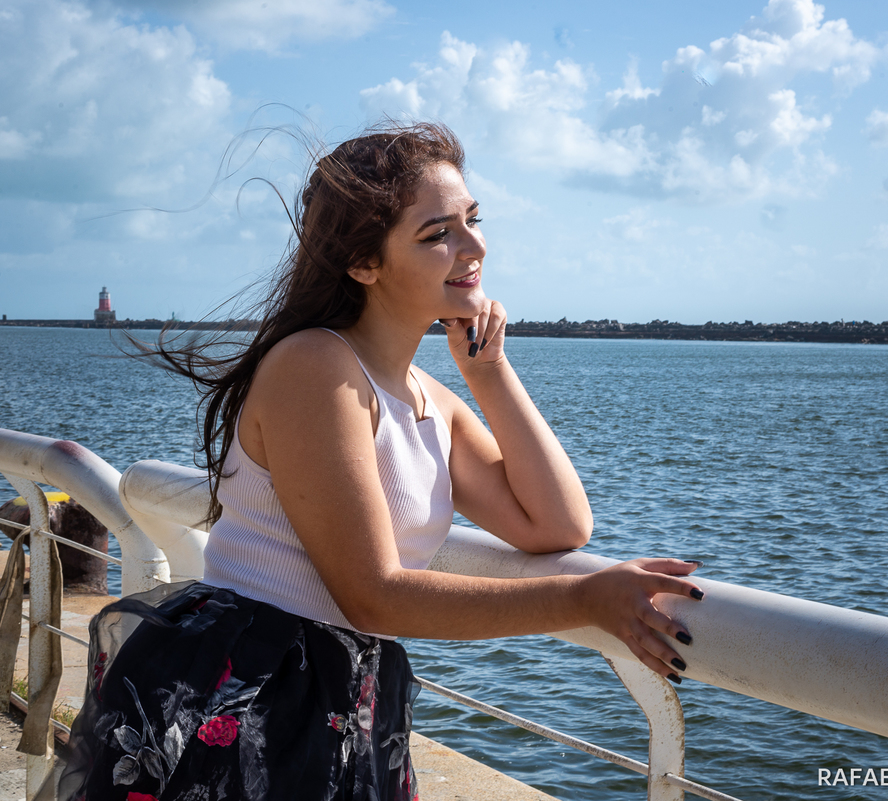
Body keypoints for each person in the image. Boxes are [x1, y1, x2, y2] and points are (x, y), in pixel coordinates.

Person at [46, 123, 702, 800]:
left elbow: (561, 524)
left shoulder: (428, 398)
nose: (473, 246)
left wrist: (490, 374)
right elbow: (371, 590)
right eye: (437, 232)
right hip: (255, 691)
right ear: (364, 262)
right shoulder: (315, 367)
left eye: (473, 220)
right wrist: (583, 599)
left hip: (347, 695)